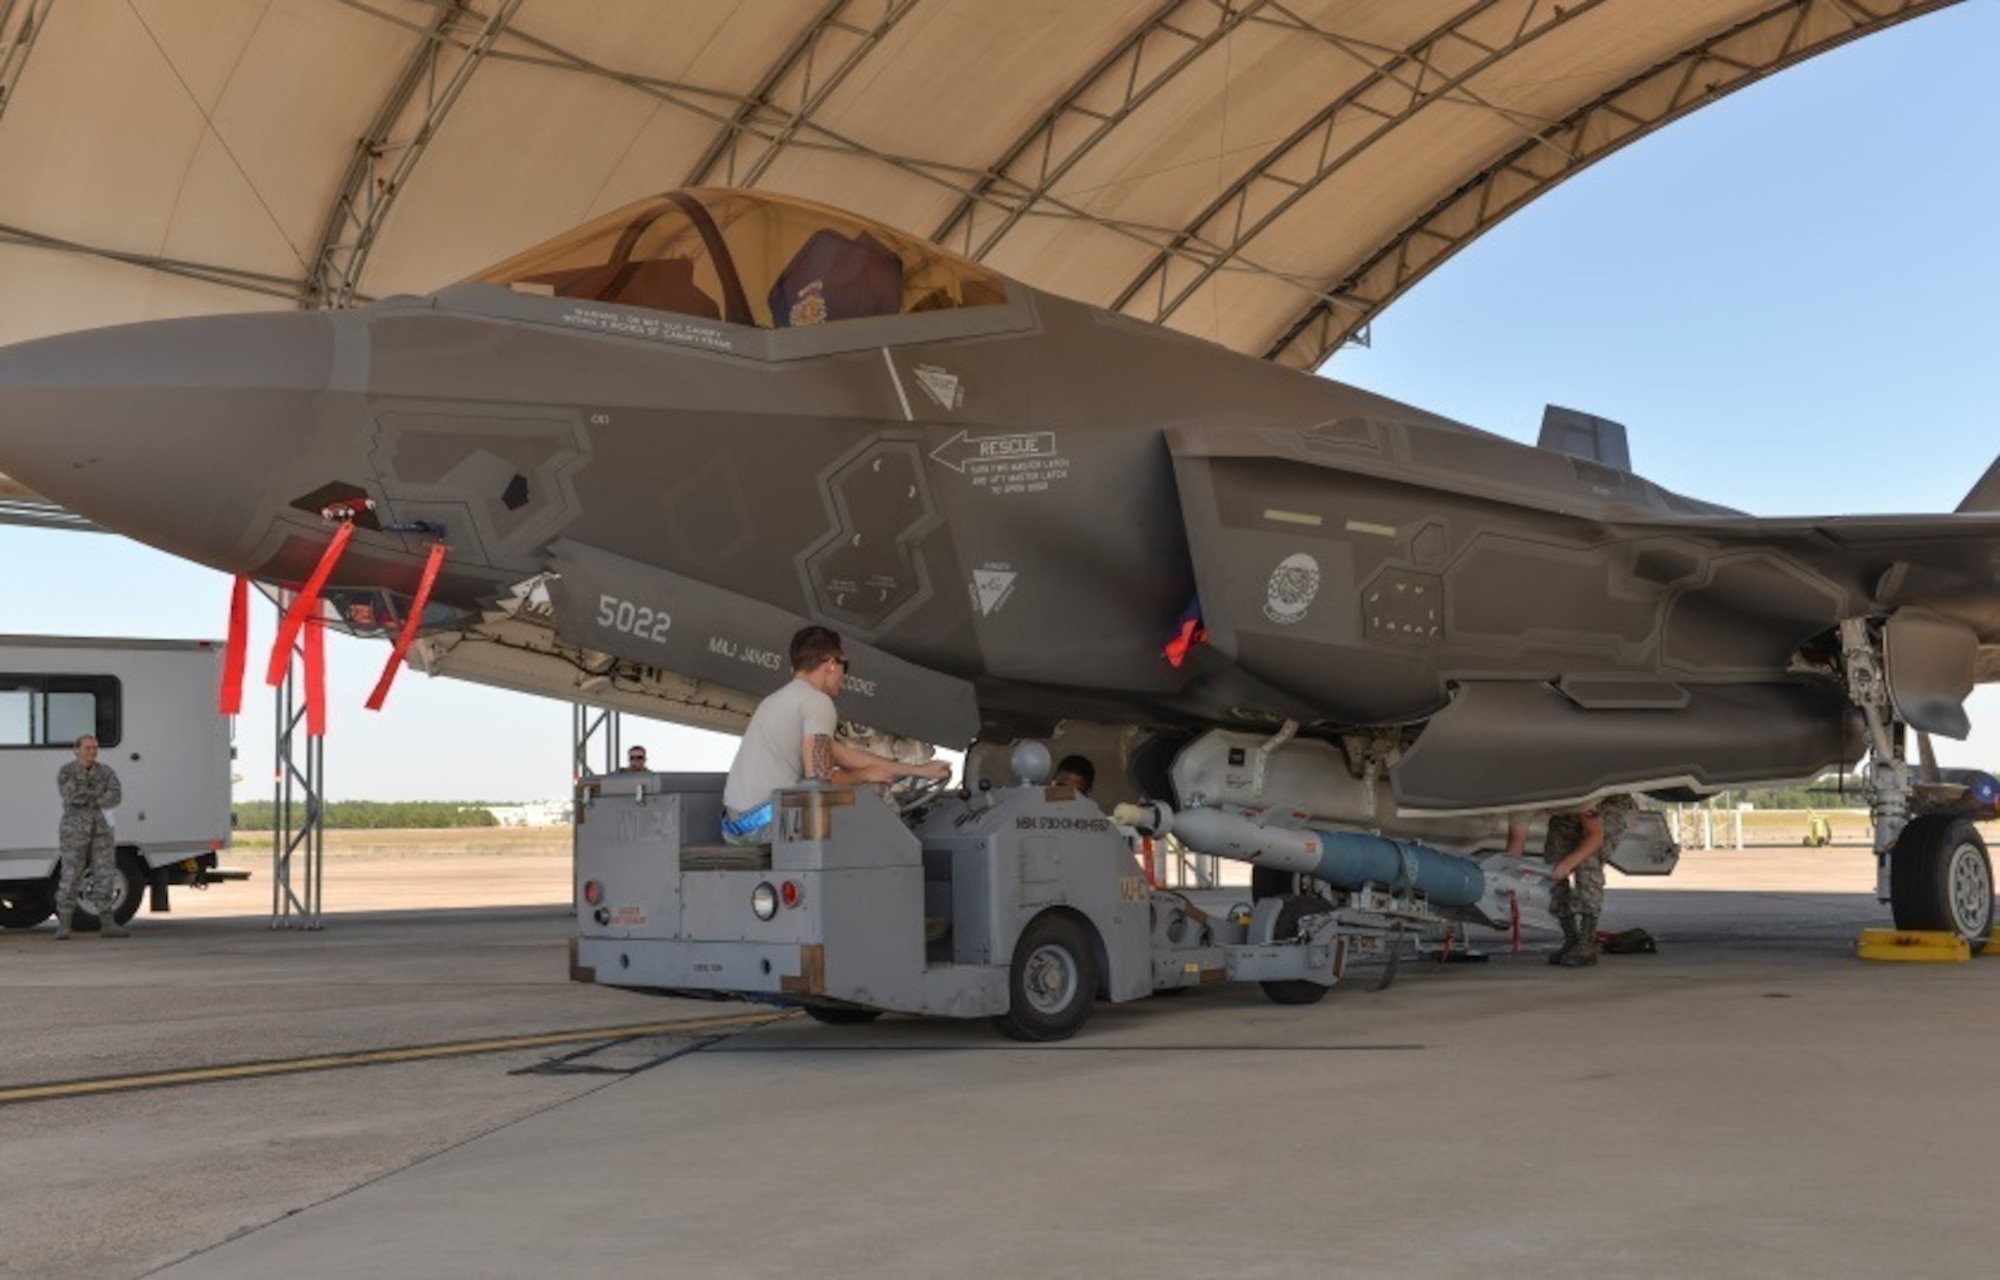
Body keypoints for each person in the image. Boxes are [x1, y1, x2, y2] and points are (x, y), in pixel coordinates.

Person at [721, 626, 951, 846]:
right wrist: (864, 776)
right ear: (831, 664)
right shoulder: (817, 702)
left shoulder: (775, 701)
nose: (843, 675)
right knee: (875, 793)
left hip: (736, 828)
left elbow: (848, 757)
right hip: (768, 827)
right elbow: (819, 782)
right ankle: (901, 865)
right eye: (844, 666)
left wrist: (919, 770)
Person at [1537, 794, 1636, 968]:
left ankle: (1587, 943)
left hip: (1603, 804)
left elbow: (1595, 835)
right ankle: (1571, 939)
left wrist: (1568, 863)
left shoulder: (1582, 797)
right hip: (1567, 808)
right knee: (1552, 864)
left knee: (1587, 864)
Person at [55, 735, 126, 939]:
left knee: (105, 875)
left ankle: (108, 923)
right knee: (71, 875)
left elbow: (116, 796)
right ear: (76, 750)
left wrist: (88, 797)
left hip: (101, 831)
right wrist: (99, 796)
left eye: (95, 748)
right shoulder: (67, 771)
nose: (92, 752)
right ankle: (64, 925)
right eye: (87, 748)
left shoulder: (106, 771)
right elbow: (72, 795)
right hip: (74, 832)